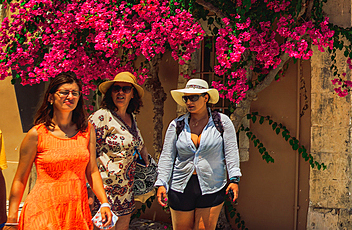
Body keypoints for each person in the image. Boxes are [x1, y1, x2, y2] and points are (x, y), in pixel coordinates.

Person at [5, 72, 114, 229]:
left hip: (76, 213)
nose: (70, 96)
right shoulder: (36, 134)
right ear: (50, 98)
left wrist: (104, 203)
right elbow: (20, 179)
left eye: (74, 93)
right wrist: (12, 219)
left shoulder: (87, 131)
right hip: (42, 211)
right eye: (64, 92)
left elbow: (92, 171)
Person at [156, 79, 241, 230]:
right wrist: (161, 182)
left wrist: (234, 179)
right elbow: (167, 156)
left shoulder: (221, 122)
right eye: (186, 98)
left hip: (212, 185)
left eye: (194, 97)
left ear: (205, 98)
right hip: (181, 186)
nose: (189, 102)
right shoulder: (177, 125)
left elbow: (231, 152)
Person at [91, 72, 151, 230]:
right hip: (103, 191)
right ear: (110, 93)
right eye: (116, 88)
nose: (120, 92)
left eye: (126, 89)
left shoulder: (131, 118)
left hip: (126, 192)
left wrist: (147, 163)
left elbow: (139, 144)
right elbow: (86, 153)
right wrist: (90, 190)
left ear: (133, 95)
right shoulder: (101, 117)